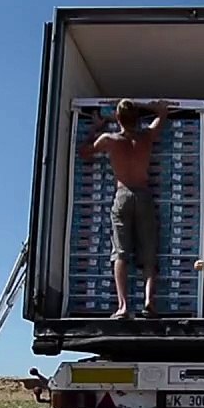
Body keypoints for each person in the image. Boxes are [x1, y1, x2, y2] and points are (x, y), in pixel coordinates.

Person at [77, 99, 169, 319]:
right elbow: (162, 115)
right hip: (144, 194)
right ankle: (149, 302)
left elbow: (84, 152)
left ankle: (123, 306)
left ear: (117, 118)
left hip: (123, 194)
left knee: (120, 252)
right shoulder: (146, 137)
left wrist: (97, 126)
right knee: (149, 251)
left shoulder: (110, 140)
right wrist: (154, 107)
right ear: (137, 118)